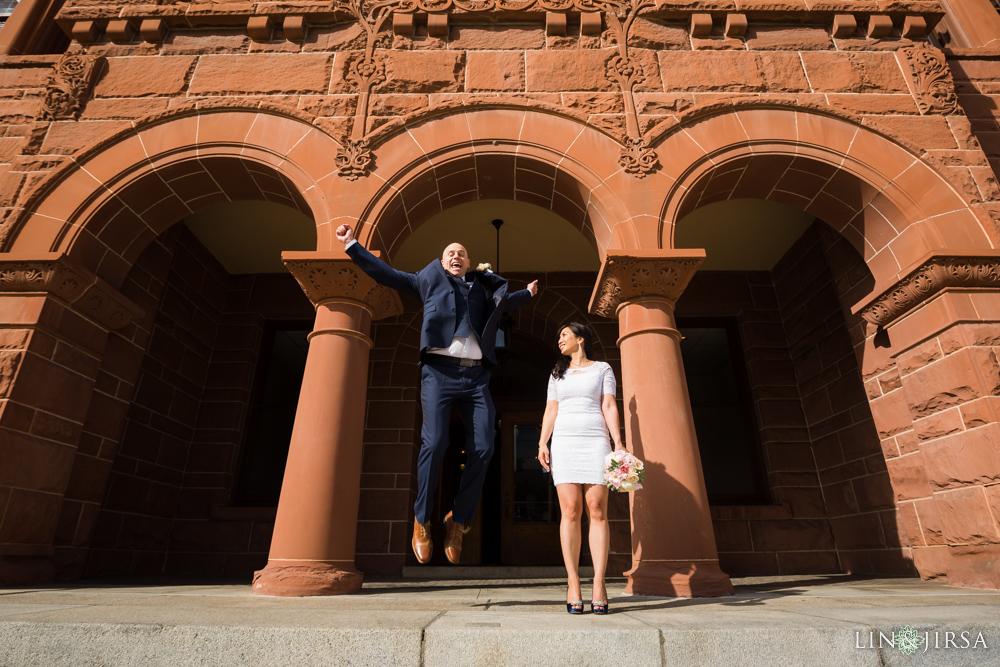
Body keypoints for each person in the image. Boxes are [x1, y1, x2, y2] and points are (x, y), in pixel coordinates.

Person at [335, 223, 538, 565]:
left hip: (475, 378)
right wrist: (352, 245)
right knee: (435, 443)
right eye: (450, 253)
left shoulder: (479, 288)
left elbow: (502, 305)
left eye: (461, 253)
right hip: (439, 373)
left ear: (469, 262)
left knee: (485, 447)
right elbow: (385, 274)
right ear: (443, 263)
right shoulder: (426, 281)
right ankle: (421, 520)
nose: (456, 256)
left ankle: (457, 521)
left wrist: (527, 294)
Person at [537, 322, 623, 615]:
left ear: (580, 339)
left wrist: (618, 443)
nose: (559, 340)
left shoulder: (602, 370)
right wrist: (542, 443)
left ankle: (599, 583)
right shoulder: (556, 373)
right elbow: (551, 408)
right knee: (570, 510)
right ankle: (573, 582)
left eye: (564, 335)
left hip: (596, 440)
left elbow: (608, 404)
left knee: (597, 508)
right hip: (565, 442)